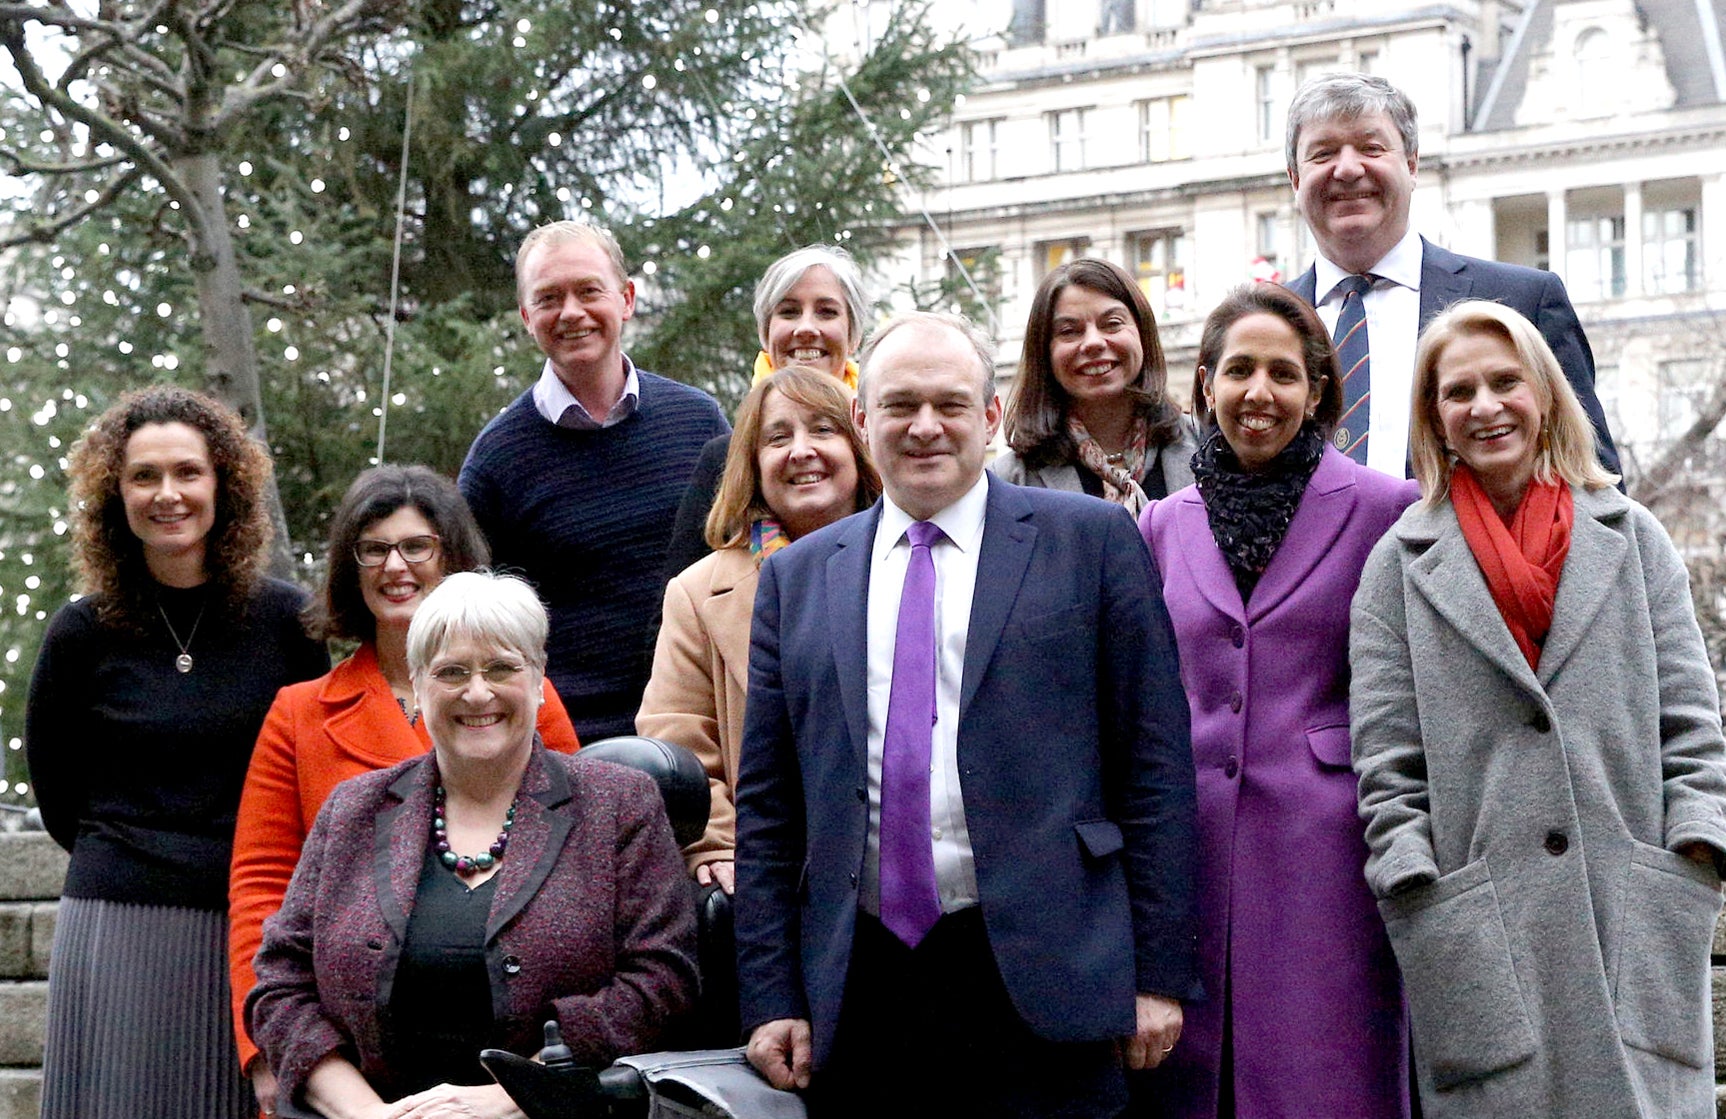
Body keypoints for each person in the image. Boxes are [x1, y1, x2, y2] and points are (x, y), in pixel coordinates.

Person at [735, 311, 1200, 1118]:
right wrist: (771, 992)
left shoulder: (1092, 542)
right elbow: (770, 810)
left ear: (990, 416)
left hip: (1049, 978)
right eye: (900, 405)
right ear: (861, 417)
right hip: (863, 988)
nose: (924, 428)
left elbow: (1154, 768)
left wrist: (1157, 972)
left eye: (950, 405)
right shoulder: (798, 580)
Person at [1350, 300, 1726, 1116]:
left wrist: (1694, 849)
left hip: (1630, 914)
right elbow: (1386, 763)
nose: (1484, 406)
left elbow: (1694, 727)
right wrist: (1417, 886)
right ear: (1435, 419)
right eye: (1458, 392)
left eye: (1504, 382)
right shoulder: (1398, 566)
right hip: (1480, 935)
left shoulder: (1633, 538)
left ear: (1546, 394)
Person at [247, 571, 699, 1119]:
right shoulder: (352, 810)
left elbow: (663, 981)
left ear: (538, 678)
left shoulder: (619, 804)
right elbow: (280, 983)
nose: (477, 692)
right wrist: (368, 1114)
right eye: (452, 672)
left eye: (502, 668)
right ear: (417, 683)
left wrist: (511, 1096)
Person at [1137, 283, 1415, 1118]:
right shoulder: (1158, 524)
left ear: (1320, 392)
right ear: (1205, 386)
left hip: (1331, 859)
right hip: (1191, 859)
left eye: (1285, 374)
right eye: (1240, 371)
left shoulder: (1383, 509)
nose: (1260, 393)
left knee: (1325, 1082)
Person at [227, 464, 583, 1110]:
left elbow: (582, 849)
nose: (396, 565)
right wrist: (269, 1051)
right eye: (374, 548)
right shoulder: (299, 713)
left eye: (417, 545)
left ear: (452, 556)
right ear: (349, 565)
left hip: (512, 1052)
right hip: (353, 1065)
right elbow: (261, 890)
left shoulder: (524, 695)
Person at [23, 385, 329, 1119]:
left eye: (188, 472)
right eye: (144, 475)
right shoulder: (80, 633)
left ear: (223, 484)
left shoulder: (287, 620)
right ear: (115, 493)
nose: (169, 493)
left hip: (252, 922)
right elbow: (56, 788)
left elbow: (313, 771)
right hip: (117, 918)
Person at [459, 219, 730, 741]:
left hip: (701, 728)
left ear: (626, 299)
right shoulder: (498, 460)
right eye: (549, 298)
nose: (572, 313)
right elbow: (475, 624)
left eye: (589, 291)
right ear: (526, 316)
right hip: (569, 745)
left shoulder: (699, 425)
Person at [1282, 72, 1619, 478]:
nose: (1348, 169)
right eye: (1323, 154)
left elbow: (1590, 475)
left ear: (1411, 165)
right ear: (1295, 179)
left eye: (1371, 148)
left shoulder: (1520, 301)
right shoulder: (1266, 324)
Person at [638, 366, 881, 893]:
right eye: (778, 436)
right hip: (771, 874)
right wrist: (719, 844)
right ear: (753, 461)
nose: (801, 450)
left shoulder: (912, 563)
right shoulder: (697, 594)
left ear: (861, 447)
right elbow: (675, 734)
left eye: (823, 430)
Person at [662, 244, 871, 580]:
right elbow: (675, 609)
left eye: (826, 312)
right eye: (788, 312)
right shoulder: (724, 458)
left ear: (853, 334)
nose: (806, 327)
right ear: (765, 332)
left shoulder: (884, 442)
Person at [992, 258, 1197, 513]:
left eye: (1112, 324)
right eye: (1069, 331)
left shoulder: (1209, 448)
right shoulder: (1009, 482)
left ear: (1143, 333)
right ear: (1044, 353)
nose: (1093, 342)